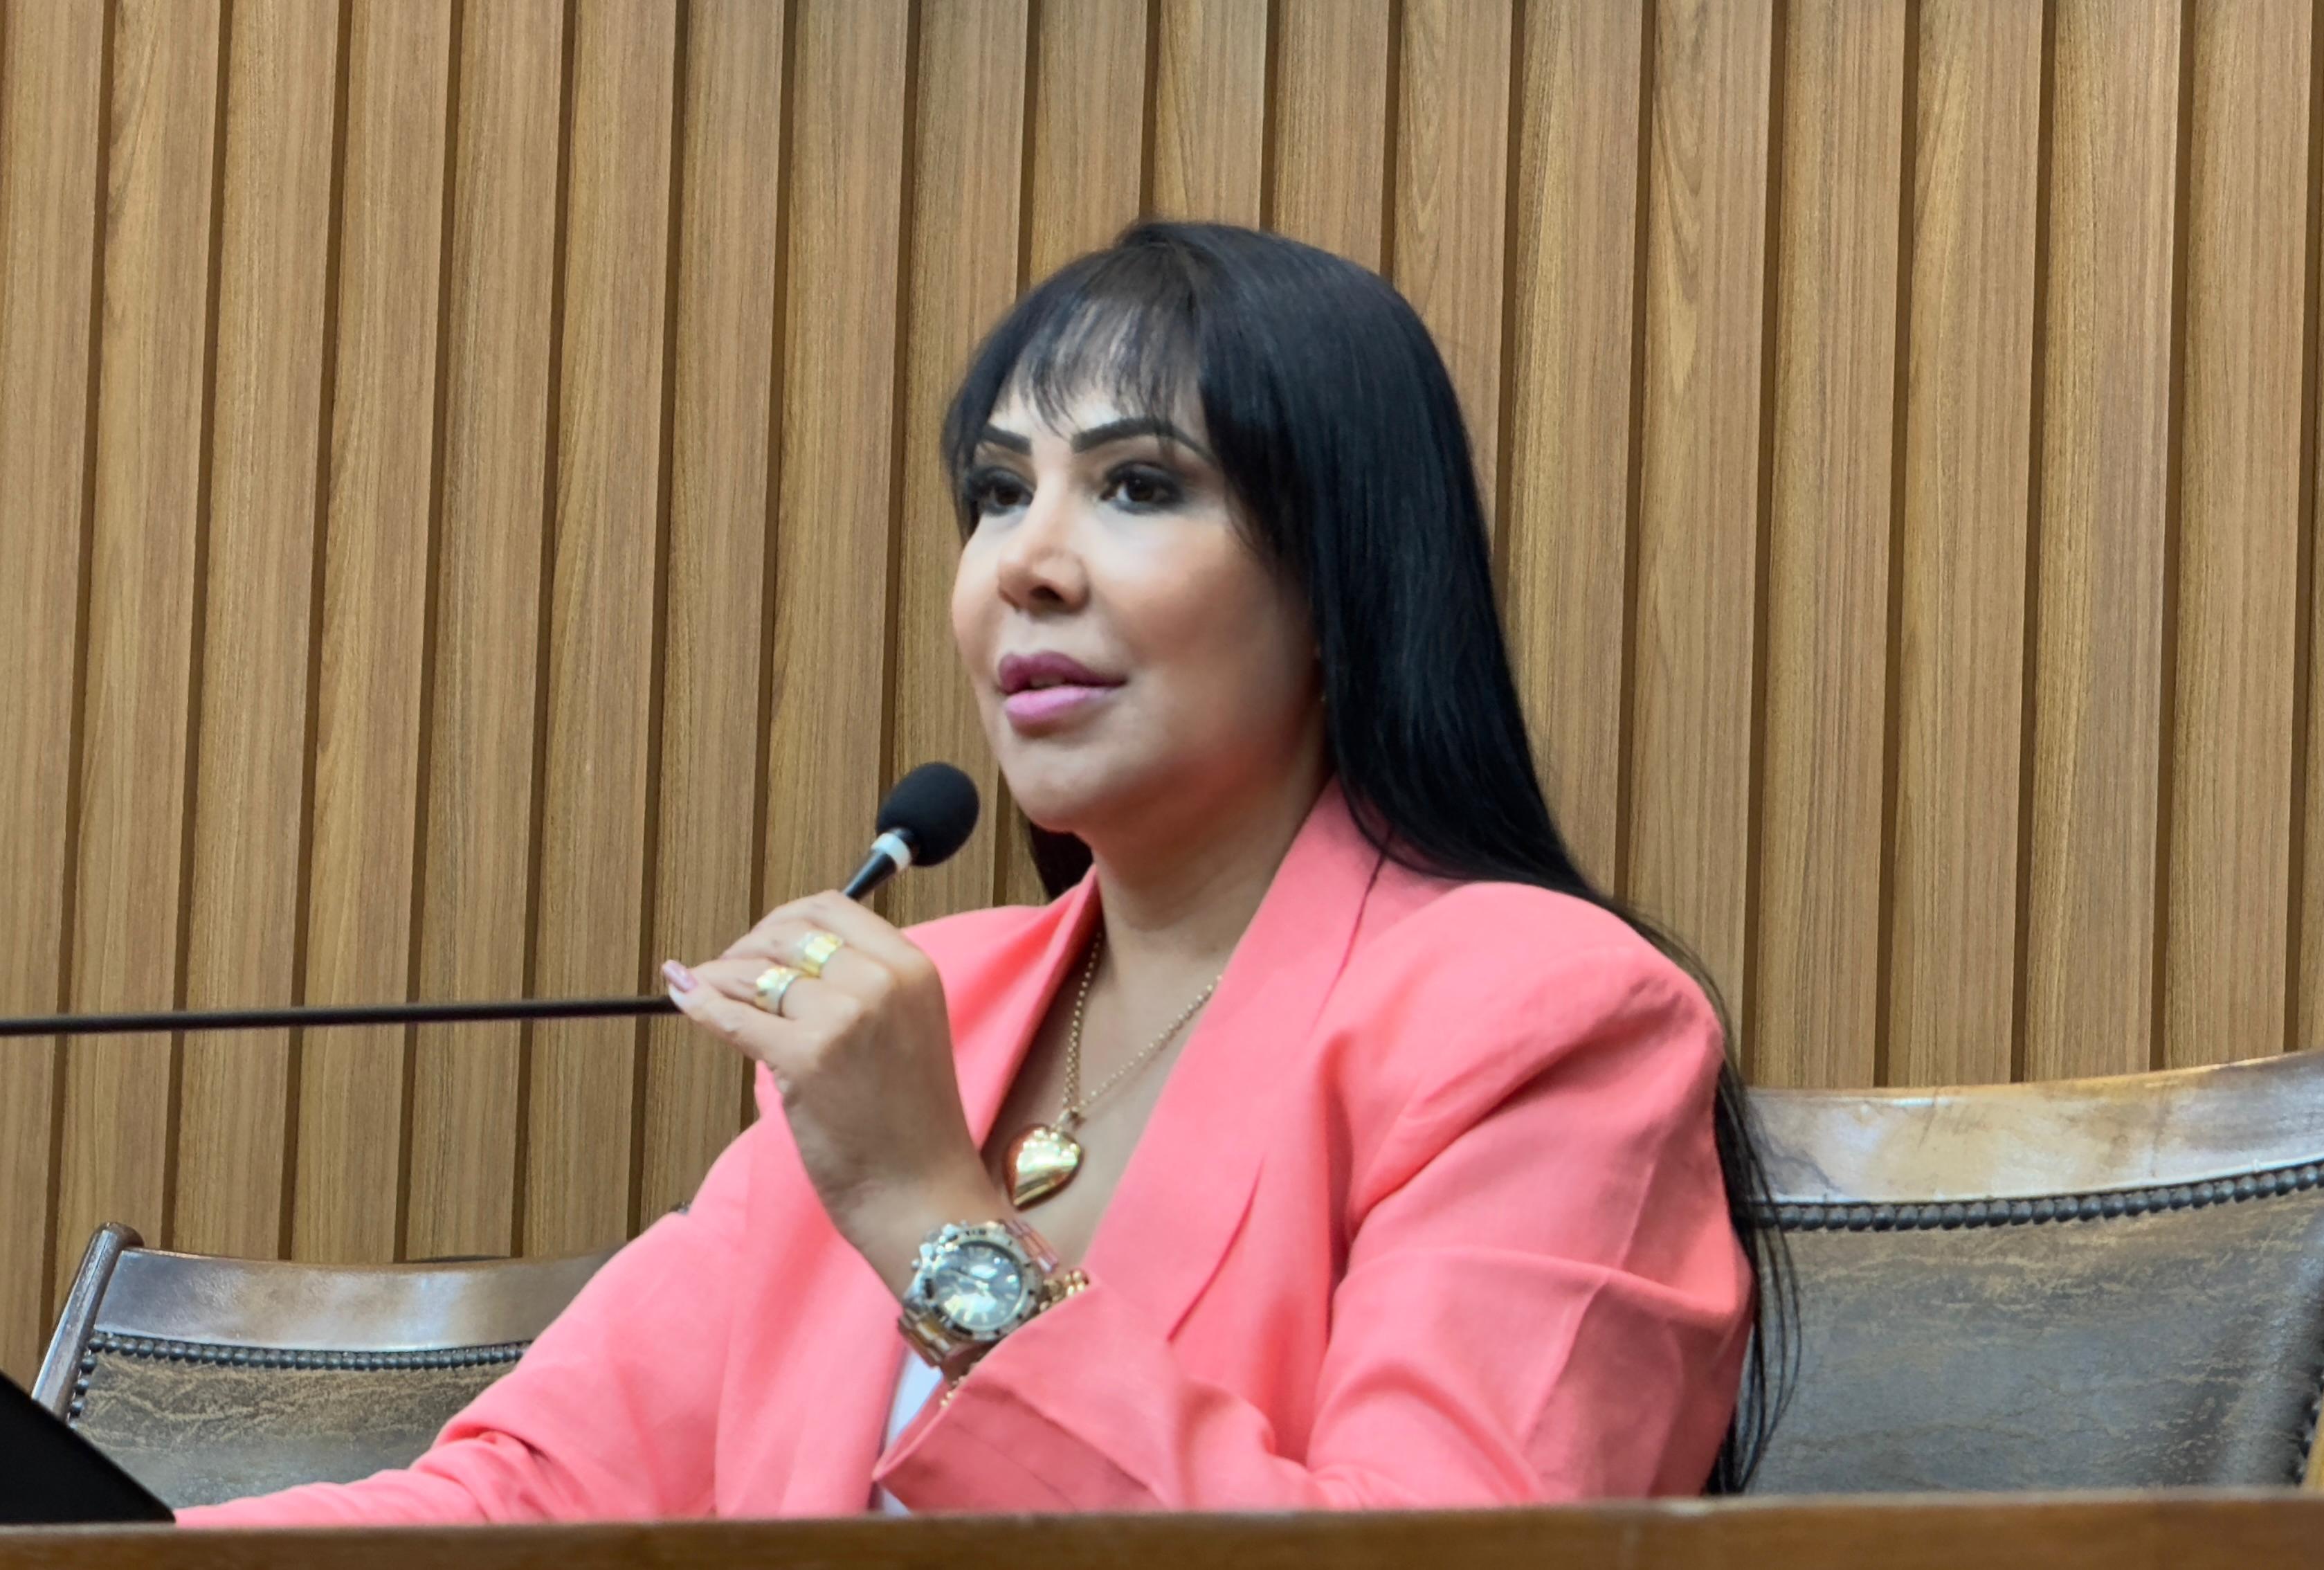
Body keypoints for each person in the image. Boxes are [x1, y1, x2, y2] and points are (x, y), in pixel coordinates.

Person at [184, 222, 1789, 1524]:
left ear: (1339, 581)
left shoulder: (1543, 1017)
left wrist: (927, 1214)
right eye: (1000, 492)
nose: (1025, 562)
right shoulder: (929, 1008)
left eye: (1140, 485)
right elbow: (532, 1498)